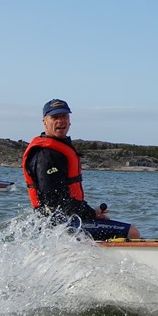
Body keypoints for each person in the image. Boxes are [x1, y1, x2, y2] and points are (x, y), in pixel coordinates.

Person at [22, 98, 140, 241]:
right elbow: (55, 201)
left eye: (64, 116)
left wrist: (92, 213)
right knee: (132, 232)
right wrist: (91, 214)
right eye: (55, 117)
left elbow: (67, 202)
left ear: (69, 121)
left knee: (112, 228)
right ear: (45, 122)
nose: (61, 121)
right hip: (59, 226)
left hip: (69, 220)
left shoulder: (58, 151)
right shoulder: (46, 156)